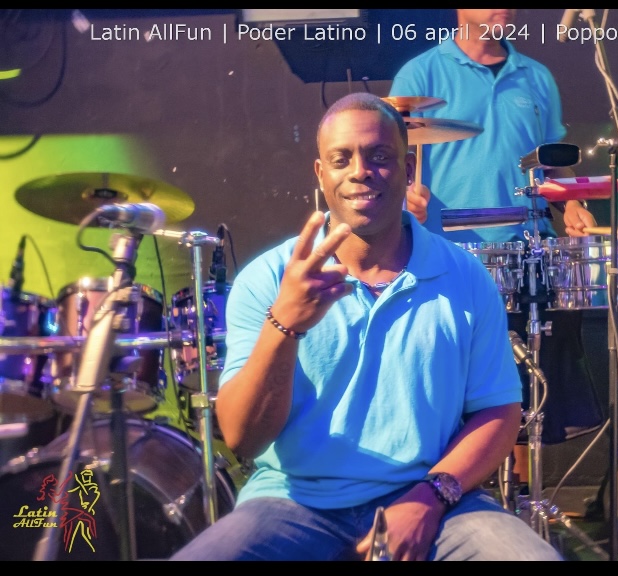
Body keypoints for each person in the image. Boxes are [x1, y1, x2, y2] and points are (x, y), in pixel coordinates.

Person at [169, 92, 564, 561]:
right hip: (292, 503)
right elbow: (242, 437)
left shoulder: (465, 276)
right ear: (321, 174)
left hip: (433, 499)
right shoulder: (269, 279)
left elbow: (498, 412)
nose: (361, 171)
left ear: (408, 168)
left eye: (379, 156)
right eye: (342, 159)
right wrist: (284, 324)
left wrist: (430, 498)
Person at [389, 9, 605, 454]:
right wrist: (405, 198)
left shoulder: (536, 77)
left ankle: (522, 492)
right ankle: (453, 485)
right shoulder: (421, 73)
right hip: (450, 255)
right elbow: (391, 158)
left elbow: (552, 162)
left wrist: (571, 202)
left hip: (528, 252)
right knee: (454, 392)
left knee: (522, 391)